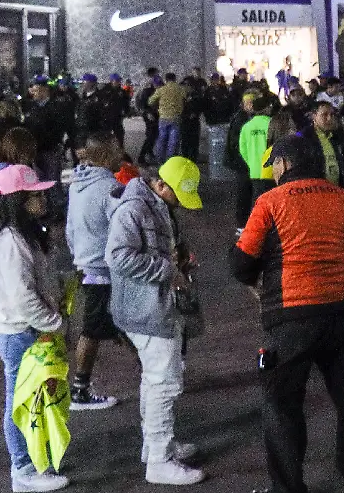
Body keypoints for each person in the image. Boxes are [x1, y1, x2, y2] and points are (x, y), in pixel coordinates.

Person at [232, 134, 344, 493]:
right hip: (341, 314)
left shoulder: (270, 202)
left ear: (285, 164)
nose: (272, 172)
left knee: (281, 404)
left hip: (290, 319)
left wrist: (259, 280)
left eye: (274, 164)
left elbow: (241, 262)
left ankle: (288, 488)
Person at [105, 156, 205, 486]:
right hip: (146, 308)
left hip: (149, 306)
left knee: (154, 381)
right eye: (178, 195)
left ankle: (156, 446)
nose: (179, 203)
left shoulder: (154, 206)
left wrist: (180, 256)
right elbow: (118, 257)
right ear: (161, 185)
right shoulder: (134, 209)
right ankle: (160, 460)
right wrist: (168, 271)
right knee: (164, 383)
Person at [0, 164, 70, 493]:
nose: (43, 199)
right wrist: (56, 323)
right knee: (20, 402)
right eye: (35, 195)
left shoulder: (22, 234)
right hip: (19, 332)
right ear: (18, 200)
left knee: (32, 399)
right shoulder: (11, 240)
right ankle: (23, 468)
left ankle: (32, 463)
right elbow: (24, 298)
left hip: (24, 330)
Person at [66, 132, 127, 411]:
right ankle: (79, 391)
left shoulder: (77, 184)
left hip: (86, 265)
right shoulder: (110, 188)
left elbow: (70, 229)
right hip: (103, 270)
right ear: (103, 156)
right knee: (93, 330)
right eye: (116, 151)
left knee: (112, 326)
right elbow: (122, 231)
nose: (121, 155)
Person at [23, 78, 65, 216]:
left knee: (53, 181)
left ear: (45, 90)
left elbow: (58, 130)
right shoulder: (32, 107)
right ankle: (46, 209)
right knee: (41, 182)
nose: (33, 93)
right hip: (36, 151)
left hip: (50, 150)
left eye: (36, 90)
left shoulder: (55, 107)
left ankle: (57, 210)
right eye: (33, 90)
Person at [227, 91, 258, 233]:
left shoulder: (250, 118)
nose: (251, 105)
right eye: (248, 103)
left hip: (251, 162)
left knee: (251, 193)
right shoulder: (240, 119)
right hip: (243, 163)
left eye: (252, 102)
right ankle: (241, 224)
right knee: (244, 193)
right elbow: (235, 143)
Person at [240, 95, 275, 207]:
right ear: (266, 108)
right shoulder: (272, 124)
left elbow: (242, 149)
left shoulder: (247, 126)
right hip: (271, 170)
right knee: (272, 202)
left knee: (258, 202)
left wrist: (251, 162)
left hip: (255, 169)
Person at [150, 72, 188, 162]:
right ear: (175, 79)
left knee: (162, 139)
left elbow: (150, 101)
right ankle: (170, 160)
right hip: (176, 118)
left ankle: (160, 159)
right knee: (173, 141)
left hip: (163, 118)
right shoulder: (180, 89)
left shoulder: (161, 89)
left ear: (166, 80)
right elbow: (186, 98)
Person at [137, 74, 162, 165]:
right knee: (150, 136)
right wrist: (147, 113)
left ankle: (149, 151)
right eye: (156, 84)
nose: (158, 86)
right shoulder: (146, 91)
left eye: (159, 84)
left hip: (157, 115)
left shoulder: (161, 90)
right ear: (153, 84)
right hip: (149, 116)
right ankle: (141, 157)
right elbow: (141, 105)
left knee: (154, 135)